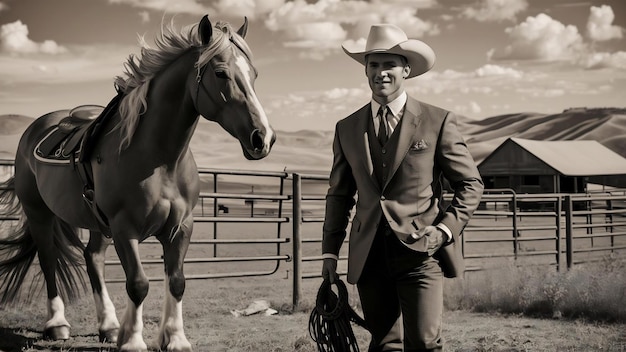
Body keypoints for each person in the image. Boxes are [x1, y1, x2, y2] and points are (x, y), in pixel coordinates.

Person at [321, 23, 484, 352]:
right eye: (374, 64)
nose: (381, 72)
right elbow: (339, 195)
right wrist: (329, 251)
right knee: (384, 344)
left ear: (406, 69)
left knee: (423, 342)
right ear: (366, 70)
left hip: (421, 254)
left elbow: (470, 183)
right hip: (368, 256)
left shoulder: (438, 121)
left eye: (389, 64)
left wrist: (445, 231)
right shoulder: (347, 128)